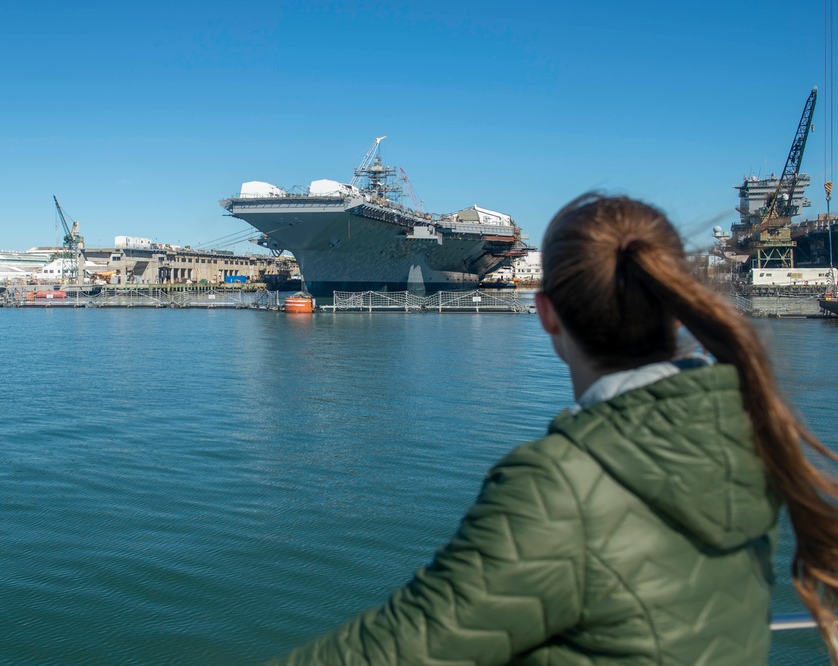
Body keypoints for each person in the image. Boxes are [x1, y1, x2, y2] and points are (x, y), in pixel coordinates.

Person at [270, 193, 838, 665]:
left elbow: (400, 648)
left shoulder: (561, 485)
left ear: (546, 313)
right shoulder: (754, 431)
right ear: (676, 303)